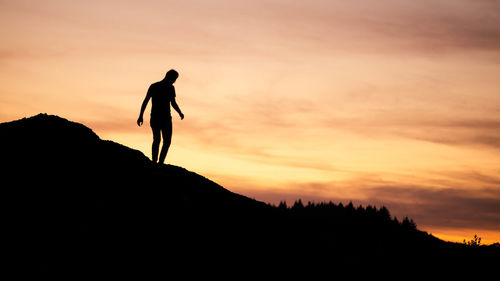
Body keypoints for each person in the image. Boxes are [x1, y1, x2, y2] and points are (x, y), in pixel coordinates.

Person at [137, 69, 184, 164]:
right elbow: (146, 101)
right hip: (161, 117)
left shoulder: (160, 86)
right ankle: (157, 162)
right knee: (162, 140)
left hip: (160, 117)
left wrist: (180, 112)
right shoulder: (163, 87)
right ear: (170, 77)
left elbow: (172, 103)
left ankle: (158, 162)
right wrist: (140, 115)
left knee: (161, 140)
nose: (174, 81)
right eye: (174, 79)